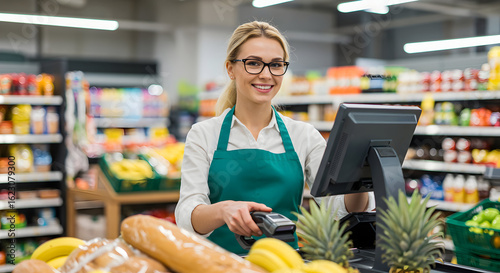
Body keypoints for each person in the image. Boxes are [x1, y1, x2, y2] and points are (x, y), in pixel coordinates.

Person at [175, 21, 375, 254]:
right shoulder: (204, 134)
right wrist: (223, 211)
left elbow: (338, 208)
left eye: (276, 65)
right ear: (230, 69)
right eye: (253, 63)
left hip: (285, 263)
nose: (266, 74)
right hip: (219, 264)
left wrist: (359, 176)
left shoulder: (304, 136)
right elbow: (187, 215)